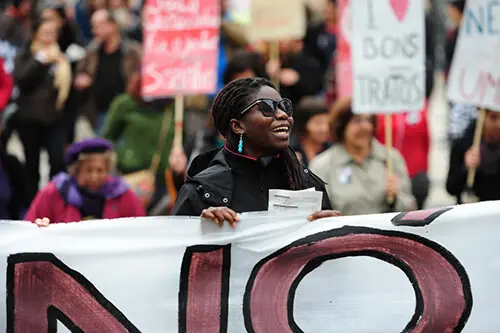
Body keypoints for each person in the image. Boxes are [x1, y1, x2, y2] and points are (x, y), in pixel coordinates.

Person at [172, 77, 340, 226]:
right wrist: (201, 229)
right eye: (268, 107)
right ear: (237, 126)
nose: (282, 115)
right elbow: (176, 251)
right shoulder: (202, 192)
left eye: (284, 106)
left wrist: (326, 231)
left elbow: (327, 257)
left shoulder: (307, 184)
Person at [309, 97, 416, 216]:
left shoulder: (391, 159)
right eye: (357, 120)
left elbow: (411, 210)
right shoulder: (322, 166)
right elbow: (315, 214)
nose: (365, 126)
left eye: (369, 120)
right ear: (341, 126)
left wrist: (396, 198)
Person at [101, 72, 188, 211]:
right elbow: (107, 138)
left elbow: (181, 140)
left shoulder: (174, 107)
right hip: (130, 177)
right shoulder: (125, 103)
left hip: (163, 180)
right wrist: (122, 157)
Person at [13, 18, 71, 201]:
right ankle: (33, 205)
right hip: (29, 120)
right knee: (32, 166)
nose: (49, 37)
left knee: (57, 160)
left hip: (54, 119)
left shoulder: (62, 59)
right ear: (35, 34)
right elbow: (22, 79)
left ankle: (55, 201)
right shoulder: (25, 56)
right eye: (45, 33)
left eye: (53, 33)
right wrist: (40, 60)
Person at [27, 138, 145, 225]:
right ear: (76, 170)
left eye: (100, 170)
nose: (94, 177)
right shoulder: (55, 191)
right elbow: (30, 224)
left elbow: (140, 228)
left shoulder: (121, 193)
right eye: (89, 170)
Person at [74, 8, 141, 132]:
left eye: (99, 26)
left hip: (128, 111)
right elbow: (80, 74)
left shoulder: (132, 51)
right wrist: (81, 80)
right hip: (100, 112)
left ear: (113, 25)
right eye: (93, 27)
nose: (95, 31)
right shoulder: (92, 51)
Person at [375, 103, 431, 210]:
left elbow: (426, 140)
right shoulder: (378, 110)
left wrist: (425, 169)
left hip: (415, 173)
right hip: (388, 175)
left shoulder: (419, 106)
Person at [446, 110, 500, 203]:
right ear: (483, 117)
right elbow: (451, 187)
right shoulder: (463, 144)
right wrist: (465, 168)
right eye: (493, 117)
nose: (498, 124)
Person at [292, 98, 331, 167]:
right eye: (318, 123)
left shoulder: (332, 150)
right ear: (304, 124)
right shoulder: (291, 150)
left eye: (327, 123)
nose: (324, 129)